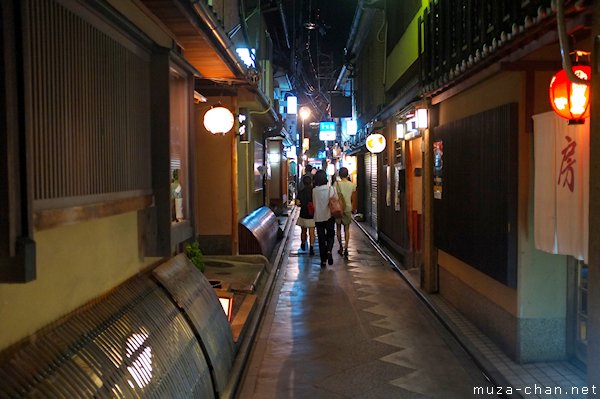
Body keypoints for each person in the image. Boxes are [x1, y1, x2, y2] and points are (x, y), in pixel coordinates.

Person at [312, 169, 337, 268]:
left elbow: (314, 204)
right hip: (330, 216)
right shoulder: (331, 189)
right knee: (330, 235)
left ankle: (323, 260)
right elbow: (335, 201)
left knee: (321, 238)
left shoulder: (314, 191)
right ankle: (329, 251)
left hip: (318, 217)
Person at [334, 167, 357, 257]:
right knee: (347, 229)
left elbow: (334, 197)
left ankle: (340, 247)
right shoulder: (352, 185)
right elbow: (353, 198)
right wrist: (353, 208)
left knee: (338, 228)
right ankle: (346, 247)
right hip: (347, 208)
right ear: (347, 175)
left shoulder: (336, 184)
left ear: (339, 174)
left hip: (338, 209)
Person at [296, 175, 315, 256]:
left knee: (303, 231)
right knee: (312, 232)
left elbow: (297, 203)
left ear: (303, 183)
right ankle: (311, 247)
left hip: (303, 213)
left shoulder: (301, 192)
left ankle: (303, 243)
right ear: (311, 182)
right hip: (312, 214)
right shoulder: (314, 191)